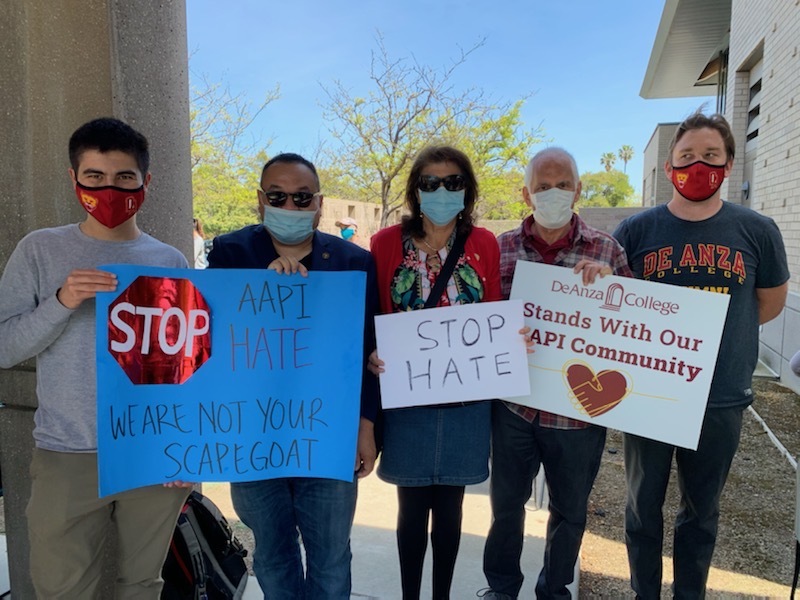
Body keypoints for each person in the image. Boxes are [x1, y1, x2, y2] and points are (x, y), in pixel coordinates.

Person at [0, 117, 191, 598]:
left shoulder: (169, 261)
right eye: (94, 178)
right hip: (66, 452)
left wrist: (188, 444)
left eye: (124, 178)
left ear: (146, 182)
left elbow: (187, 364)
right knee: (60, 588)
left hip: (151, 453)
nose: (109, 189)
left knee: (143, 585)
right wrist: (61, 302)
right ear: (74, 179)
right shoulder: (40, 250)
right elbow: (4, 348)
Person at [613, 111, 789, 599]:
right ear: (670, 166)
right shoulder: (636, 230)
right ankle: (644, 593)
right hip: (649, 394)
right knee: (641, 507)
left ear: (728, 164)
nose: (698, 166)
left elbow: (768, 304)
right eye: (687, 156)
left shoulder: (757, 229)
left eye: (710, 156)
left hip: (721, 395)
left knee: (702, 511)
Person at [206, 152, 379, 599]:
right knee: (273, 553)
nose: (290, 205)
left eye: (302, 197)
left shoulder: (353, 262)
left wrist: (366, 426)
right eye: (278, 196)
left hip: (327, 435)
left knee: (331, 557)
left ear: (319, 204)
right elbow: (210, 339)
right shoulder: (231, 253)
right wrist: (260, 292)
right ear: (261, 200)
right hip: (253, 437)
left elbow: (369, 352)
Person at [480, 147, 632, 600]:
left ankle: (554, 589)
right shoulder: (500, 247)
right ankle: (502, 589)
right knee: (506, 506)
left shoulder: (608, 249)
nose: (553, 194)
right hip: (514, 407)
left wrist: (612, 288)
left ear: (579, 190)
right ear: (526, 193)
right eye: (543, 186)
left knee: (570, 511)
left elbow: (634, 329)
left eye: (563, 184)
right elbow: (480, 319)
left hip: (578, 415)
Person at [368, 145, 505, 600]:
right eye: (430, 183)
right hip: (409, 401)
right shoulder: (385, 243)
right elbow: (374, 313)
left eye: (452, 182)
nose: (441, 191)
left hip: (466, 402)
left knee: (451, 510)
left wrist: (509, 341)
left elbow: (493, 313)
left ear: (466, 190)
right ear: (415, 191)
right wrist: (373, 352)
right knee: (410, 510)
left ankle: (441, 595)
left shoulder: (484, 243)